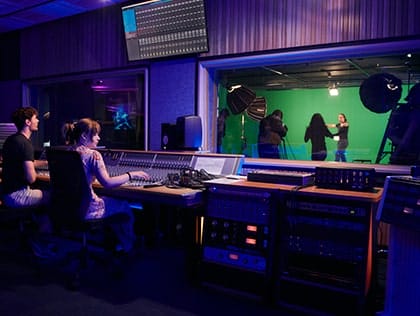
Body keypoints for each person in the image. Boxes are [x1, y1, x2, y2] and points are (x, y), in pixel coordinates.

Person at [68, 118, 150, 253]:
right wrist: (131, 174)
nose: (99, 138)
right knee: (123, 205)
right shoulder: (93, 155)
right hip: (88, 209)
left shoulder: (67, 152)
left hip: (70, 207)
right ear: (83, 136)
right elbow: (107, 183)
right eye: (95, 134)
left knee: (112, 203)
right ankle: (129, 246)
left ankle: (118, 243)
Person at [1, 106, 54, 257]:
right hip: (18, 195)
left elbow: (26, 162)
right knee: (53, 196)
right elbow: (31, 178)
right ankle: (41, 243)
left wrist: (46, 164)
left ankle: (34, 227)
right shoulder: (25, 144)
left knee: (43, 198)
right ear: (27, 122)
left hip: (6, 194)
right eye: (35, 118)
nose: (37, 120)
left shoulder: (12, 140)